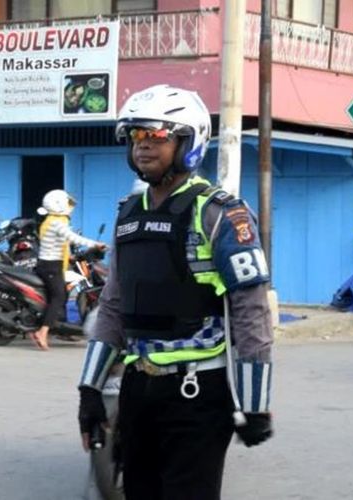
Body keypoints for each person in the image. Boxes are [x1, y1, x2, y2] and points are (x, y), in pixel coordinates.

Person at [77, 84, 274, 500]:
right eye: (136, 137)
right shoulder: (128, 214)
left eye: (158, 136)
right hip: (137, 388)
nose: (144, 147)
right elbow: (113, 303)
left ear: (189, 142)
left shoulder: (220, 213)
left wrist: (255, 404)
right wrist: (90, 390)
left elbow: (250, 307)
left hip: (197, 394)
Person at [31, 189, 105, 350]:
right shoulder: (57, 222)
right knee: (59, 297)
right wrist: (95, 244)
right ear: (58, 204)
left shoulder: (51, 220)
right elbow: (72, 237)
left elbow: (58, 244)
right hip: (52, 266)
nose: (70, 206)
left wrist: (70, 257)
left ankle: (48, 327)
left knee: (54, 296)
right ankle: (42, 332)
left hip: (49, 264)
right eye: (67, 203)